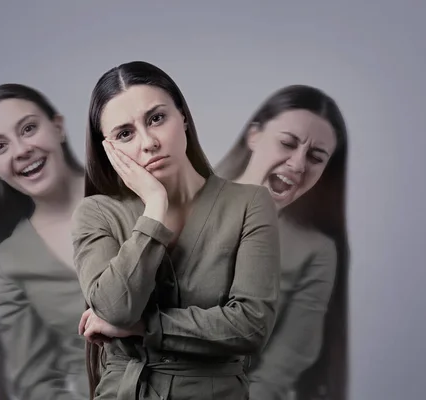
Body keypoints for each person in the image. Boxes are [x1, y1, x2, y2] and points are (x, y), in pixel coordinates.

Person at [70, 60, 281, 400]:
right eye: (125, 134)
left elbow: (251, 326)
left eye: (156, 118)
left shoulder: (250, 203)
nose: (148, 142)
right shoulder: (97, 214)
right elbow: (115, 309)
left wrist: (143, 327)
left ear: (182, 115)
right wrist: (155, 206)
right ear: (108, 148)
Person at [215, 84, 350, 400]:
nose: (299, 164)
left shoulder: (315, 251)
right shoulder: (177, 202)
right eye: (288, 143)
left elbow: (285, 360)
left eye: (316, 157)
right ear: (254, 135)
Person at [0, 83, 89, 400]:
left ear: (58, 127)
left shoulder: (138, 187)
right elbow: (37, 383)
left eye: (29, 128)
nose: (21, 150)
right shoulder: (9, 261)